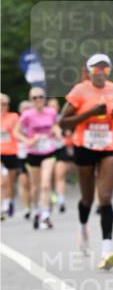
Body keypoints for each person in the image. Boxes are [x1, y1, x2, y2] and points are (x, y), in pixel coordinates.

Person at [59, 54, 113, 268]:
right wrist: (88, 114)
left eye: (105, 69)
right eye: (97, 69)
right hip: (84, 146)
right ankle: (83, 226)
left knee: (105, 197)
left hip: (109, 145)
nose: (101, 73)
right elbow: (63, 123)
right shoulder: (79, 90)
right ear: (88, 71)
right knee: (87, 198)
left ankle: (107, 250)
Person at [13, 88, 60, 229]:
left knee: (46, 184)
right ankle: (35, 209)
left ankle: (45, 214)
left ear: (44, 98)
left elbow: (55, 125)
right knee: (35, 187)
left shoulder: (51, 112)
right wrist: (27, 141)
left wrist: (57, 133)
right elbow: (16, 132)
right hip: (33, 153)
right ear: (31, 100)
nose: (38, 100)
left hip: (48, 151)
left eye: (40, 97)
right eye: (34, 98)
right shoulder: (27, 115)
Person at [48, 97, 74, 213]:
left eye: (55, 105)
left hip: (60, 149)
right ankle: (50, 195)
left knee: (60, 175)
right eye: (51, 106)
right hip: (47, 150)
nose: (53, 108)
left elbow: (68, 133)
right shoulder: (42, 118)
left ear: (58, 107)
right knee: (49, 176)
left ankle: (61, 200)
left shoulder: (62, 119)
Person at [1, 94, 19, 220]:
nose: (3, 106)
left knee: (10, 182)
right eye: (1, 104)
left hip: (11, 152)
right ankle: (3, 205)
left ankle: (10, 201)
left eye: (5, 104)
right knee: (2, 181)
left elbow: (18, 131)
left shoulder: (13, 117)